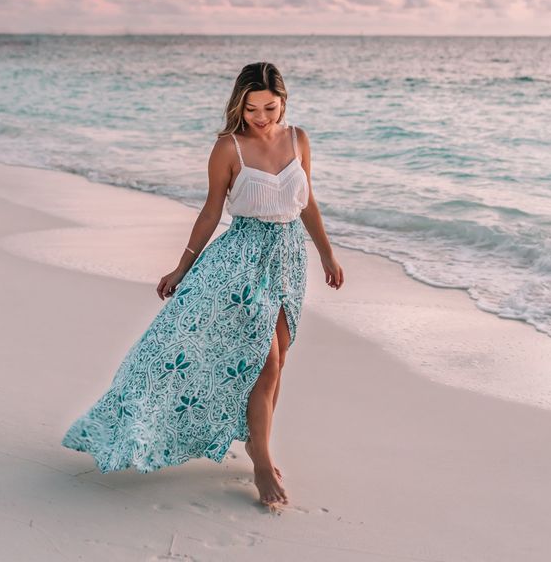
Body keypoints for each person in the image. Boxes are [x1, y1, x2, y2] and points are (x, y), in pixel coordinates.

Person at [61, 61, 344, 508]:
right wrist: (181, 268)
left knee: (281, 356)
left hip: (290, 259)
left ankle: (256, 442)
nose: (261, 117)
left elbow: (308, 203)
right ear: (240, 106)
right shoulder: (228, 148)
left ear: (284, 102)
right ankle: (262, 465)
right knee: (264, 362)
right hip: (240, 262)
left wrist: (327, 253)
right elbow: (212, 212)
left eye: (269, 107)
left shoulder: (299, 140)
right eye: (252, 108)